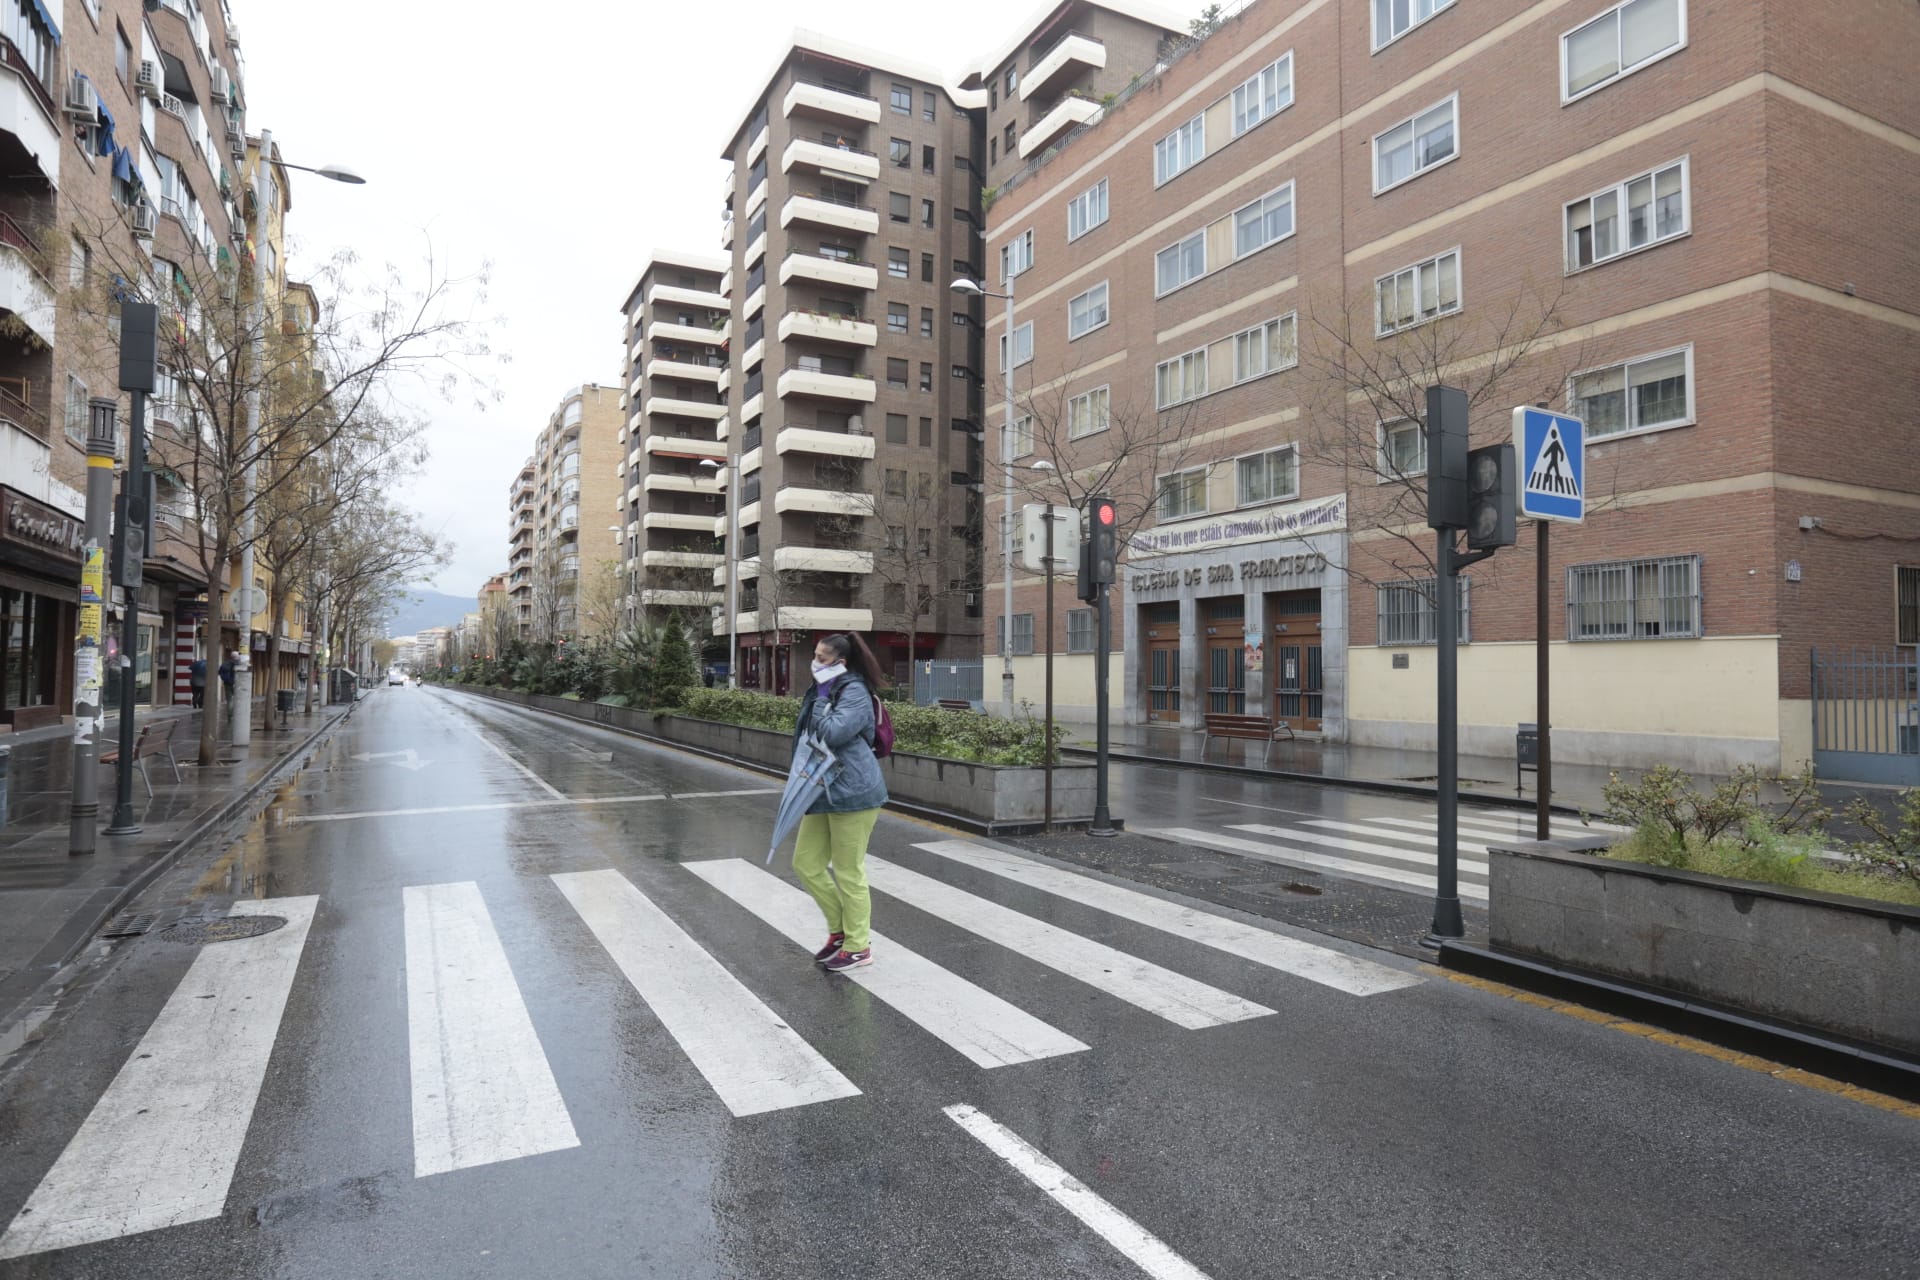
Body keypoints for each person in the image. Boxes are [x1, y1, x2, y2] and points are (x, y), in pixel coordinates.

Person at [790, 633, 889, 973]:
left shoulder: (854, 692)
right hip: (823, 789)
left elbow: (831, 733)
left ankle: (859, 946)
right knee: (805, 862)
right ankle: (841, 931)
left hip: (855, 791)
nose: (815, 662)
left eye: (822, 657)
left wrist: (819, 698)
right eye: (815, 656)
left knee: (849, 872)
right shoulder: (828, 688)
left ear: (840, 663)